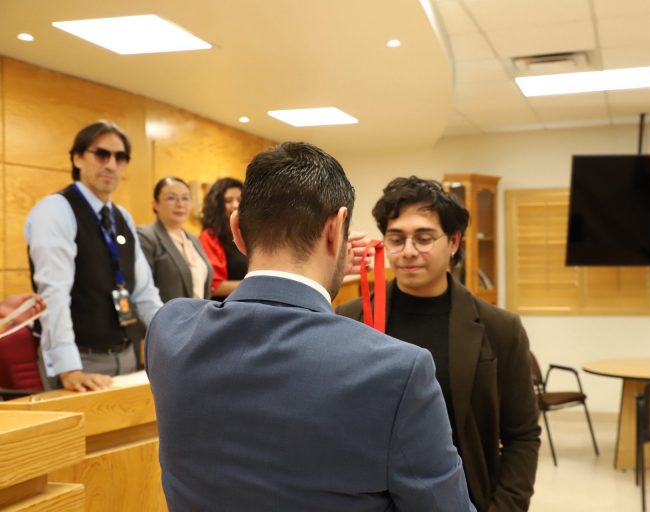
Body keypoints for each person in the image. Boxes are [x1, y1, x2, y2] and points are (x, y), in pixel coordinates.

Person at [146, 142, 475, 511]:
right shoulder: (398, 370)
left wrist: (325, 263)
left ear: (237, 230)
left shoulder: (170, 331)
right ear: (336, 228)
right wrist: (326, 262)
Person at [337, 176, 541, 512]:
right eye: (396, 239)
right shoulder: (350, 318)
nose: (408, 251)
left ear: (454, 241)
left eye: (424, 238)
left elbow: (522, 436)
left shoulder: (500, 329)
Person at [25, 120, 162, 392]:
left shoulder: (122, 217)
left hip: (126, 355)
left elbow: (145, 293)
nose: (111, 165)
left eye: (120, 157)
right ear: (77, 158)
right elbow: (54, 294)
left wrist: (177, 340)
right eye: (101, 154)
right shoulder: (55, 210)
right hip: (81, 361)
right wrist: (69, 369)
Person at [138, 177, 213, 302]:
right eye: (171, 198)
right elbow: (142, 289)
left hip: (198, 313)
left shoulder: (194, 240)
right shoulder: (145, 237)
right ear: (155, 204)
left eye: (185, 198)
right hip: (164, 313)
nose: (180, 204)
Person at [198, 177, 247, 298]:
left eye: (239, 200)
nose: (235, 205)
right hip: (225, 305)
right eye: (228, 201)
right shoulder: (210, 236)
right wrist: (256, 285)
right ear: (217, 205)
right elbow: (214, 286)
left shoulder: (248, 233)